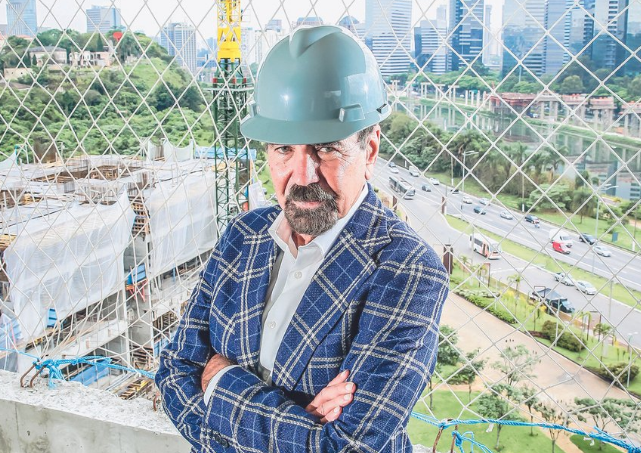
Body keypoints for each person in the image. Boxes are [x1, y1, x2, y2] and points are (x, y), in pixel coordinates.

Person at [156, 25, 449, 452]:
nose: (302, 175)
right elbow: (174, 368)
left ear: (369, 151)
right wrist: (297, 422)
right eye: (283, 150)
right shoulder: (244, 236)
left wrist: (217, 380)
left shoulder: (407, 270)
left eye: (326, 149)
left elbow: (346, 446)